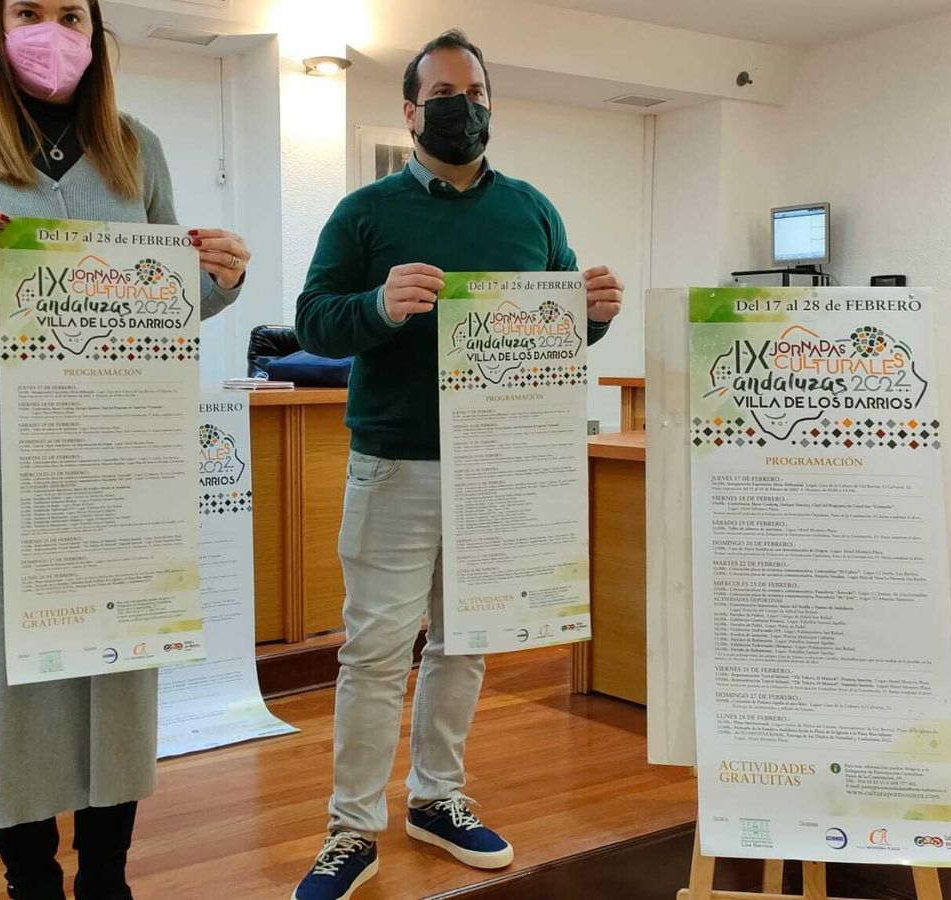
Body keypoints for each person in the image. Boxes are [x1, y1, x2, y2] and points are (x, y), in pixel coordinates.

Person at [0, 2, 249, 898]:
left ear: (96, 28)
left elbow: (168, 294)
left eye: (70, 12)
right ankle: (30, 878)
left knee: (122, 653)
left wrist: (222, 280)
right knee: (11, 670)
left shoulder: (136, 146)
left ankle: (107, 874)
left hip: (119, 442)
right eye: (27, 11)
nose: (51, 28)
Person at [290, 28, 625, 900]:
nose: (461, 106)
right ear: (409, 112)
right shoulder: (363, 213)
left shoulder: (532, 211)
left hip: (499, 468)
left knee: (466, 644)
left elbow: (556, 333)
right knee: (374, 654)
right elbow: (315, 321)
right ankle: (350, 829)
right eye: (442, 93)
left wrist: (591, 314)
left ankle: (437, 799)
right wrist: (377, 304)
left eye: (474, 93)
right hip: (395, 463)